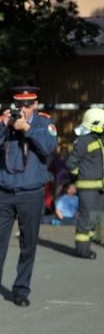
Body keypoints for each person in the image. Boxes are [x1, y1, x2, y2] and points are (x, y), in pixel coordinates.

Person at [0, 86, 57, 307]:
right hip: (4, 192)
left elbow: (48, 148)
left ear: (36, 104)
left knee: (28, 245)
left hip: (31, 193)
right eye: (19, 105)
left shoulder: (44, 123)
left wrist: (26, 128)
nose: (23, 109)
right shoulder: (5, 122)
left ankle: (21, 291)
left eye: (27, 105)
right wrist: (3, 126)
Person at [67, 107, 104, 258]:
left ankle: (86, 247)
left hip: (99, 187)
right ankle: (81, 250)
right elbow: (71, 164)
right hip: (88, 188)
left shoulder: (100, 140)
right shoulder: (83, 141)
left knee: (95, 218)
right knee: (86, 218)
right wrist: (80, 177)